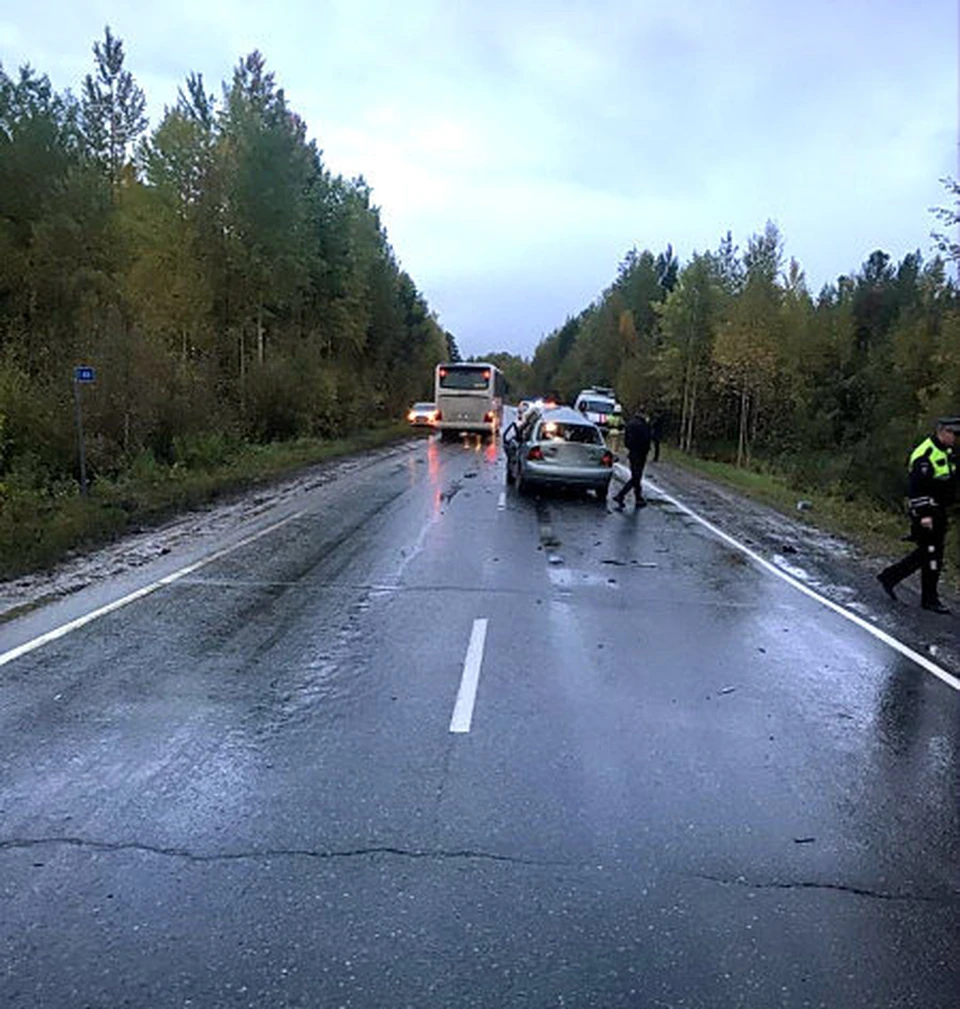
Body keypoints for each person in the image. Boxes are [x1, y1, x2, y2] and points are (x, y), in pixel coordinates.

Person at [877, 417, 960, 614]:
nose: (955, 438)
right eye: (953, 434)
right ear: (942, 431)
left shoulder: (946, 452)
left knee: (928, 553)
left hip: (939, 510)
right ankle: (929, 598)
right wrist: (923, 515)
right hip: (927, 512)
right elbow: (916, 488)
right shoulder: (926, 454)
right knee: (931, 554)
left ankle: (890, 577)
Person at [613, 409, 652, 509]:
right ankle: (621, 495)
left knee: (636, 476)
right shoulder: (644, 425)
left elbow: (626, 440)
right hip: (640, 453)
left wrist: (630, 448)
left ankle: (638, 498)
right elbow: (646, 439)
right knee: (636, 476)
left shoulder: (630, 424)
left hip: (632, 452)